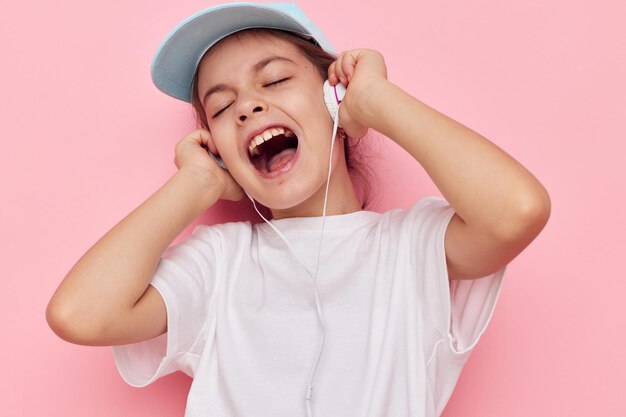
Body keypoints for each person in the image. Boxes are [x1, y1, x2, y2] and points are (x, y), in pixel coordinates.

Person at [46, 2, 550, 417]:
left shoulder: (410, 248)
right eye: (221, 109)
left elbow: (517, 210)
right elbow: (80, 314)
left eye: (274, 81)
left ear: (334, 98)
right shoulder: (219, 263)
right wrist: (193, 184)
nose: (246, 107)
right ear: (218, 149)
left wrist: (374, 100)